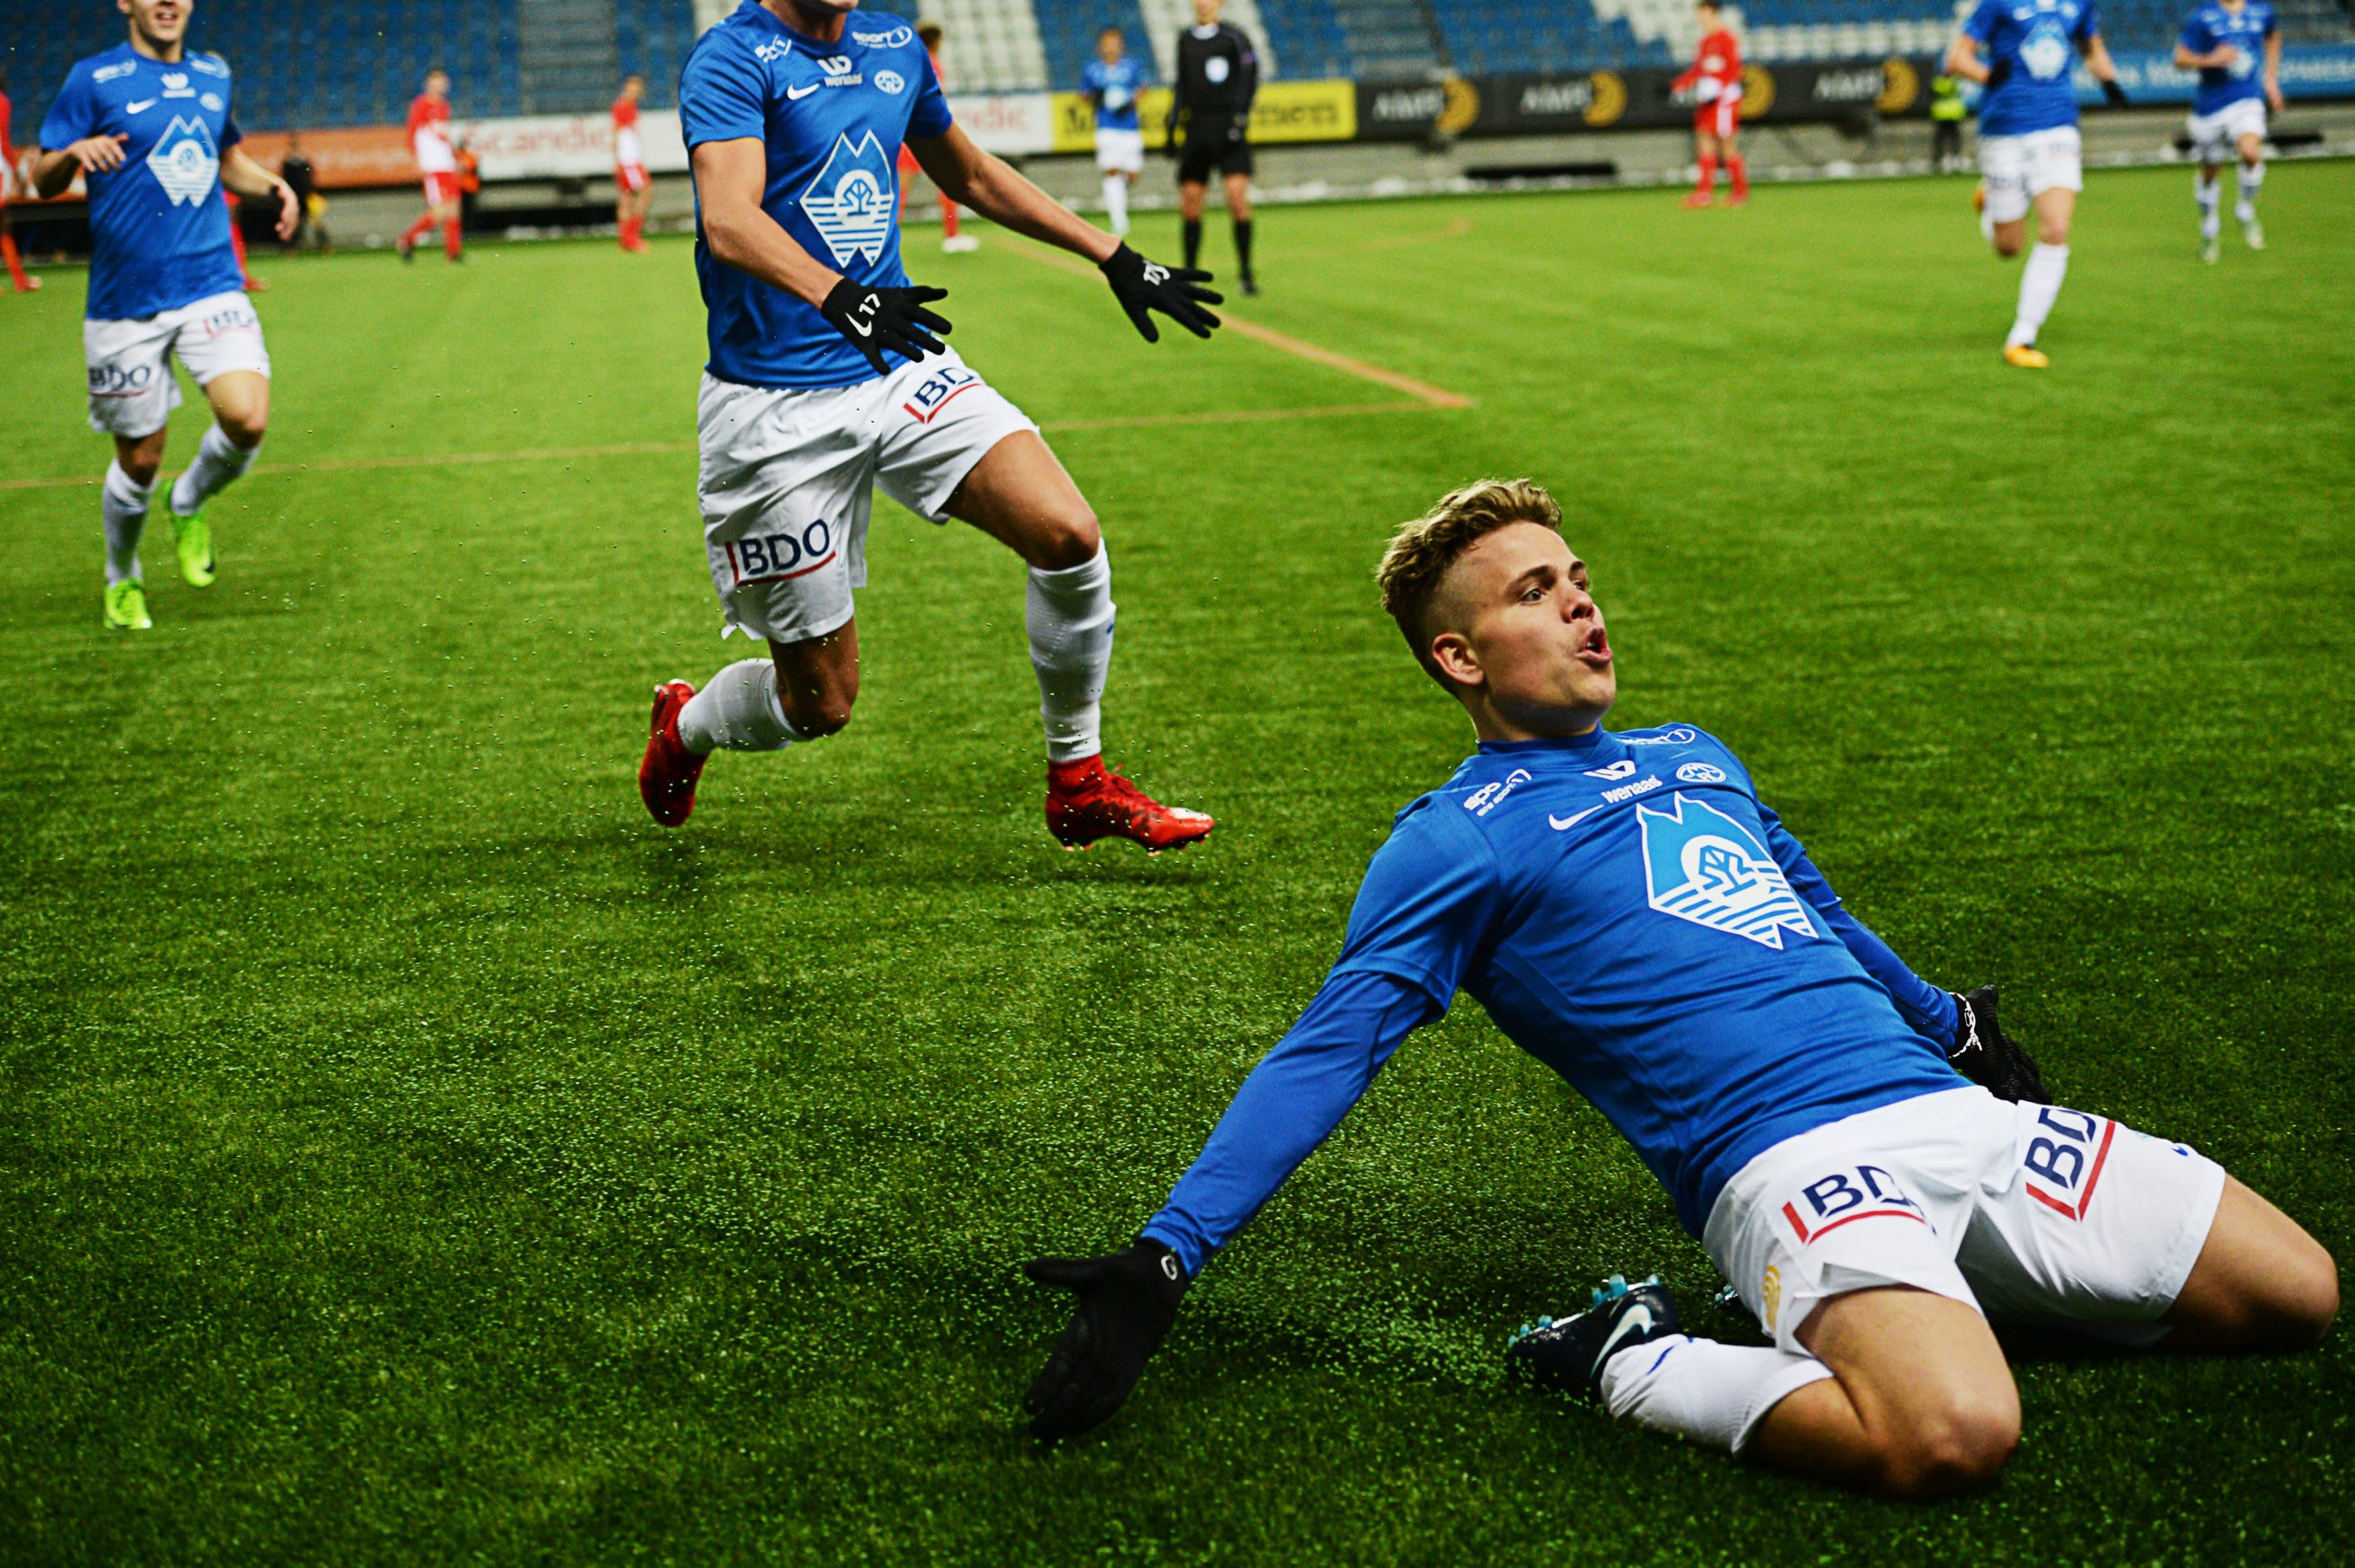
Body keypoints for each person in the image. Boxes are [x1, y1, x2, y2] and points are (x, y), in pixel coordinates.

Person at [1019, 480, 2337, 1493]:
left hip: (1946, 1110)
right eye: (1536, 592)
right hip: (1788, 1164)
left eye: (1579, 580)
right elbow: (1330, 1048)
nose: (1582, 607)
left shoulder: (1696, 754)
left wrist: (1952, 1025)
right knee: (1952, 1433)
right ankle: (1627, 1355)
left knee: (2295, 1294)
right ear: (1461, 658)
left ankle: (1937, 1291)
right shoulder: (1455, 840)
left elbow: (1816, 912)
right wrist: (1165, 1256)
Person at [636, 0, 1223, 852]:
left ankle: (1079, 780)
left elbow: (971, 175)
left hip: (897, 362)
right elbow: (729, 218)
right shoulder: (733, 58)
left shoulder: (893, 44)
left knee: (1067, 534)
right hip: (773, 408)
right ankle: (686, 727)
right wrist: (842, 297)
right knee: (820, 704)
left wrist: (1113, 254)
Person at [31, 0, 298, 631]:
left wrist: (272, 185)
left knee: (248, 418)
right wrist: (74, 153)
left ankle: (189, 499)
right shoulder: (93, 79)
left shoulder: (212, 73)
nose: (167, 3)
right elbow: (42, 178)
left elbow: (221, 156)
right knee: (142, 459)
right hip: (126, 300)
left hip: (210, 282)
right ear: (126, 3)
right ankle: (121, 576)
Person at [1946, 0, 2130, 368]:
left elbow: (2092, 48)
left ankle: (2023, 337)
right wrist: (1986, 75)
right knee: (2009, 247)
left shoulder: (2077, 5)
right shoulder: (1998, 4)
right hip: (2005, 131)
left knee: (2056, 229)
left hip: (2058, 126)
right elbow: (1956, 59)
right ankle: (1991, 202)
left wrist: (2110, 83)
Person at [2174, 0, 2280, 263]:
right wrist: (2211, 59)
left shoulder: (2261, 10)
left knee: (2250, 153)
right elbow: (2180, 59)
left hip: (2247, 98)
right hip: (2210, 109)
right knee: (2210, 173)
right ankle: (2209, 227)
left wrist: (2270, 78)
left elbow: (2273, 35)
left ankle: (2245, 209)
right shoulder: (2203, 16)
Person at [1168, 0, 1257, 294]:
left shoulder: (1234, 37)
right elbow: (1181, 84)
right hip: (1197, 128)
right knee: (1191, 202)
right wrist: (1173, 124)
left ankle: (1246, 271)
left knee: (1237, 198)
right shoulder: (1186, 39)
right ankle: (1190, 272)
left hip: (1227, 128)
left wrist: (1239, 118)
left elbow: (1249, 79)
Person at [895, 22, 975, 253]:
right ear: (934, 41)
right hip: (928, 134)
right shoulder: (932, 64)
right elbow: (934, 101)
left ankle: (887, 238)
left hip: (908, 132)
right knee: (950, 181)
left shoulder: (910, 62)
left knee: (901, 189)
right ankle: (952, 235)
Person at [1672, 1, 1747, 207]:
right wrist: (1681, 83)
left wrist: (1719, 88)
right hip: (1708, 100)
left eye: (1703, 12)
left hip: (1724, 100)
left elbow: (1735, 70)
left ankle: (1739, 193)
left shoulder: (1726, 38)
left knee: (1726, 144)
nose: (1699, 17)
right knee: (1704, 139)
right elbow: (1699, 70)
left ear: (1713, 13)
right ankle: (1704, 194)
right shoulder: (1705, 41)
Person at [1081, 25, 1147, 241]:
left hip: (1129, 127)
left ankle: (1118, 194)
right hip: (1106, 127)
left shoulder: (1132, 66)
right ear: (1100, 47)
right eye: (1107, 43)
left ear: (1121, 45)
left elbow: (1142, 88)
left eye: (1115, 43)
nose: (1111, 47)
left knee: (1132, 173)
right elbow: (1084, 94)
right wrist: (1095, 98)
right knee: (1111, 171)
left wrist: (1130, 101)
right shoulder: (1092, 69)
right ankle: (1119, 220)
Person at [396, 68, 463, 264]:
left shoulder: (444, 106)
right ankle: (407, 239)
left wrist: (455, 157)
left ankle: (453, 253)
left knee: (454, 208)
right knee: (440, 211)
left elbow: (442, 136)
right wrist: (417, 159)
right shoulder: (421, 105)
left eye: (442, 83)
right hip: (432, 164)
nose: (439, 87)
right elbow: (412, 133)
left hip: (446, 163)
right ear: (428, 85)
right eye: (435, 83)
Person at [2, 68, 42, 294]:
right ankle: (20, 281)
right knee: (3, 227)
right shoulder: (2, 101)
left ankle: (20, 280)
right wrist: (16, 171)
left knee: (3, 227)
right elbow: (3, 140)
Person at [614, 73, 652, 253]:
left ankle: (626, 239)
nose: (635, 92)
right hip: (628, 160)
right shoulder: (623, 107)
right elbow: (617, 134)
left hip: (630, 159)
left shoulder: (631, 107)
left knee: (627, 198)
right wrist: (620, 159)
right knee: (645, 193)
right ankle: (631, 237)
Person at [1929, 67, 1968, 174]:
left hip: (1941, 113)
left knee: (1941, 139)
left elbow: (1932, 94)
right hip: (1953, 112)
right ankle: (1954, 161)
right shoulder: (1956, 81)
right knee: (1953, 138)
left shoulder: (1937, 82)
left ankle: (1939, 162)